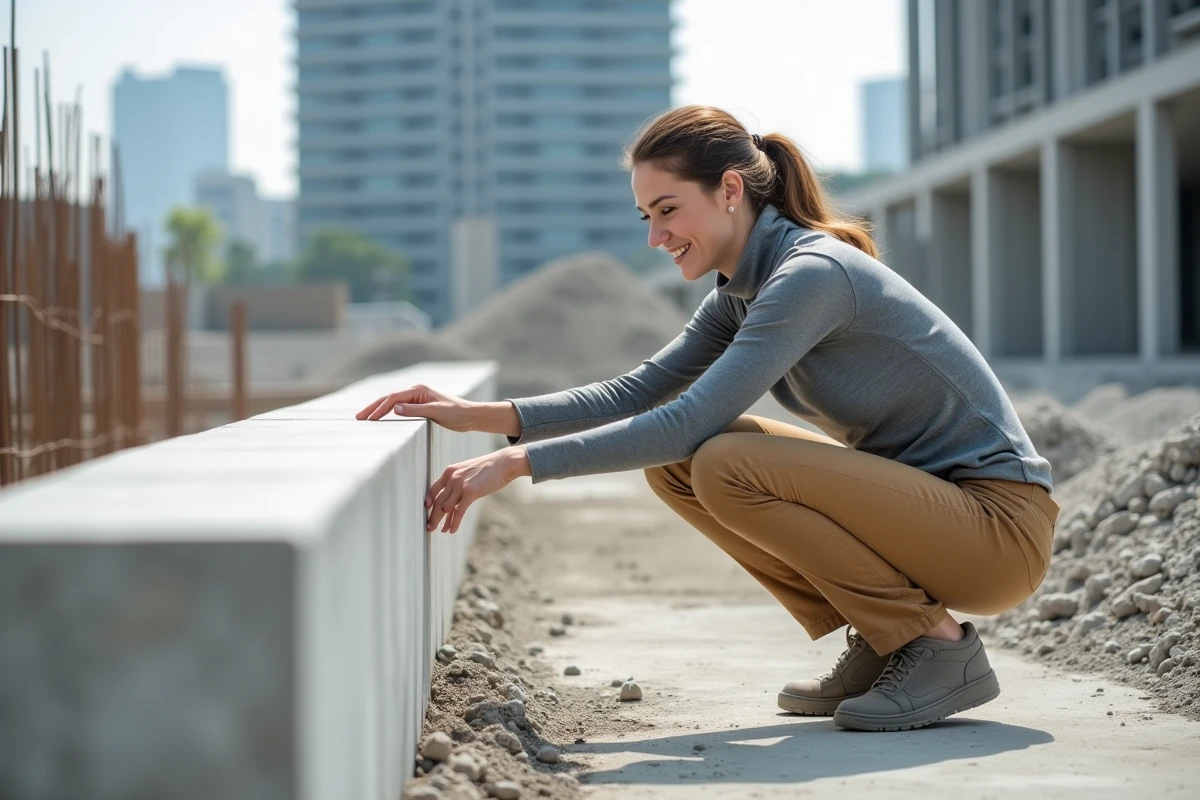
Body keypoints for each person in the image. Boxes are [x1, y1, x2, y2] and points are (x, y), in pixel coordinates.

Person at [356, 105, 1059, 732]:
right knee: (682, 465)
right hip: (940, 520)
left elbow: (691, 415)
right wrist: (480, 417)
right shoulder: (743, 290)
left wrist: (517, 464)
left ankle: (934, 647)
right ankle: (887, 639)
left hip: (998, 530)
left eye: (668, 210)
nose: (657, 236)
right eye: (646, 217)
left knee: (724, 458)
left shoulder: (810, 275)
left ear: (729, 190)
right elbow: (642, 389)